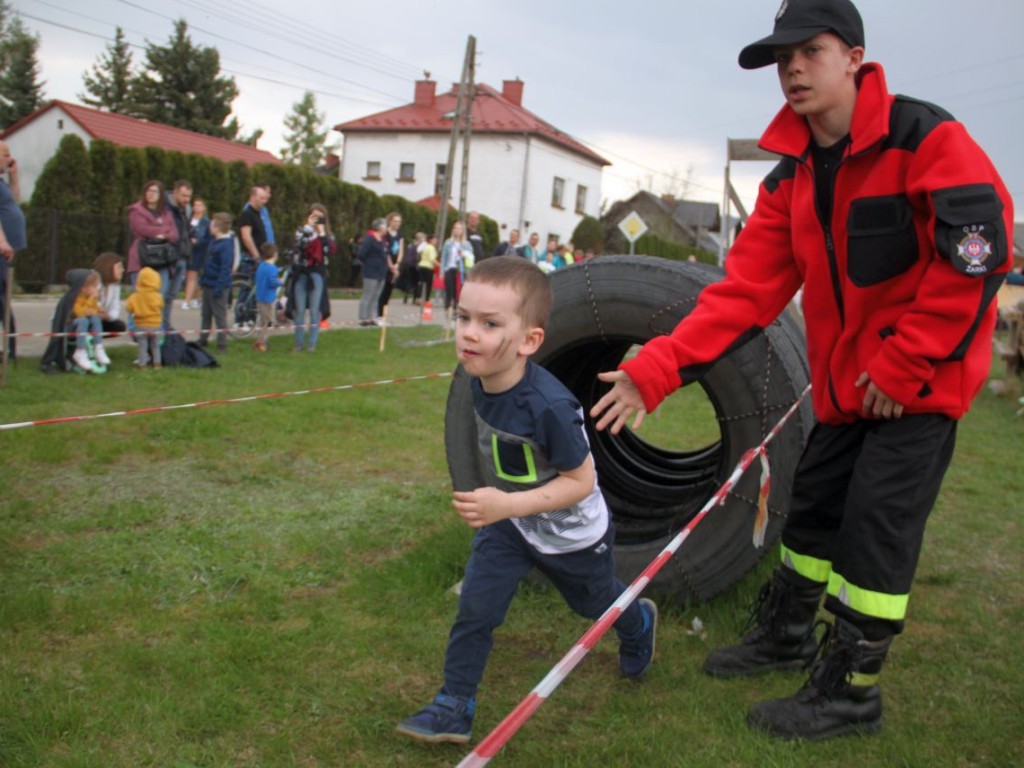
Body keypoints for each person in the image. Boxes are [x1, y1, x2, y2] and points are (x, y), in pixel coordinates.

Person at [590, 0, 1013, 743]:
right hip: (848, 395)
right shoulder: (789, 180)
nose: (791, 68)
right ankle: (784, 635)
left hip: (919, 390)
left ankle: (850, 690)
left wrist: (906, 363)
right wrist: (653, 370)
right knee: (812, 511)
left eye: (808, 51)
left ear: (854, 56)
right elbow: (743, 294)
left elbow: (976, 255)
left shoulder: (929, 139)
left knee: (873, 532)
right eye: (780, 58)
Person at [396, 256, 657, 744]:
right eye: (464, 317)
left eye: (490, 324)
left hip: (570, 535)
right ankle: (455, 705)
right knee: (477, 606)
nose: (469, 334)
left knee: (594, 606)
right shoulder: (478, 380)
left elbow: (581, 482)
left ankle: (638, 621)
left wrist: (508, 505)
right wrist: (507, 512)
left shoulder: (550, 407)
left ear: (529, 341)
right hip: (511, 526)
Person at [292, 204, 335, 352]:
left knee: (315, 310)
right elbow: (298, 247)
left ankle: (311, 344)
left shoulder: (327, 235)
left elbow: (328, 251)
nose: (316, 220)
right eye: (313, 216)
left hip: (317, 273)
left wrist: (322, 234)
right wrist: (307, 230)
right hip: (302, 273)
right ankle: (298, 343)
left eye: (320, 217)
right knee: (299, 309)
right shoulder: (302, 231)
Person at [1, 140, 26, 363]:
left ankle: (9, 349)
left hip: (6, 251)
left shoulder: (1, 182)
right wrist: (2, 240)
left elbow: (14, 200)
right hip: (2, 249)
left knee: (4, 299)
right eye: (5, 155)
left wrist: (13, 176)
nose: (9, 159)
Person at [126, 180, 178, 289]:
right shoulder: (136, 211)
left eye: (154, 191)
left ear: (161, 195)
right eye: (148, 191)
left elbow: (174, 235)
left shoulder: (166, 213)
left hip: (162, 258)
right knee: (142, 297)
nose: (150, 194)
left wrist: (164, 234)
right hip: (142, 257)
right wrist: (165, 230)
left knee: (159, 298)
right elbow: (143, 229)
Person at [198, 212, 234, 353]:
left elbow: (225, 269)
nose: (210, 227)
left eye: (212, 224)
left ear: (218, 228)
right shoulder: (213, 241)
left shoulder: (226, 245)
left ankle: (222, 343)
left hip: (218, 286)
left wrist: (219, 287)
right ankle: (203, 338)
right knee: (205, 314)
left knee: (219, 315)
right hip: (208, 283)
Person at [162, 180, 193, 327]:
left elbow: (185, 230)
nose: (186, 200)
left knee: (171, 295)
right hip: (166, 257)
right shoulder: (164, 207)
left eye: (188, 196)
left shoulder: (186, 209)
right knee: (160, 294)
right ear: (174, 192)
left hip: (181, 256)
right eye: (183, 196)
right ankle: (154, 326)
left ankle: (165, 325)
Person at [68, 270, 109, 372]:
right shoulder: (76, 298)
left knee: (96, 318)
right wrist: (90, 300)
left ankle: (98, 346)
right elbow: (79, 313)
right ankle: (80, 350)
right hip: (73, 326)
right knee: (83, 320)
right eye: (94, 286)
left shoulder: (90, 298)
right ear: (84, 287)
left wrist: (95, 310)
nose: (96, 289)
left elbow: (94, 310)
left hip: (86, 324)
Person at [125, 266, 164, 369]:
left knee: (142, 345)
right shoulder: (158, 296)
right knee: (155, 345)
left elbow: (129, 308)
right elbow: (161, 306)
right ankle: (157, 363)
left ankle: (142, 364)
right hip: (155, 324)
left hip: (141, 324)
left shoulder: (135, 296)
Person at [356, 218, 389, 327]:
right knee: (367, 294)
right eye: (384, 226)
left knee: (376, 295)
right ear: (379, 227)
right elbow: (361, 254)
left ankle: (372, 317)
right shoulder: (369, 238)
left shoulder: (383, 240)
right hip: (370, 272)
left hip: (381, 272)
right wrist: (370, 263)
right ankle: (363, 318)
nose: (386, 228)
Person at [182, 197, 211, 310]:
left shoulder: (206, 222)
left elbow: (208, 238)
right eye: (195, 205)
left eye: (199, 205)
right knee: (192, 276)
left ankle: (187, 300)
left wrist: (198, 241)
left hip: (200, 252)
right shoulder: (189, 219)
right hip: (189, 250)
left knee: (191, 275)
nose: (196, 208)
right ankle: (198, 299)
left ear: (204, 208)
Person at [440, 220, 474, 313]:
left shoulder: (466, 244)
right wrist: (442, 272)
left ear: (462, 231)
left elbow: (470, 255)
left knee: (458, 290)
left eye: (459, 228)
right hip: (449, 268)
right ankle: (448, 308)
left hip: (460, 270)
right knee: (449, 289)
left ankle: (456, 308)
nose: (456, 230)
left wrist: (464, 254)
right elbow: (444, 257)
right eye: (455, 228)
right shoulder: (448, 243)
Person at [254, 242, 282, 352]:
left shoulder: (261, 266)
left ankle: (260, 340)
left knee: (262, 320)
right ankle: (262, 342)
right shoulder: (272, 268)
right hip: (268, 298)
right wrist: (280, 282)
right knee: (267, 321)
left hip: (260, 296)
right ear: (274, 255)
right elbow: (273, 282)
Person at [238, 184, 271, 274]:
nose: (264, 201)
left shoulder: (258, 214)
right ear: (252, 198)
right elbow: (246, 236)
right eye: (261, 198)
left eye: (265, 198)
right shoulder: (247, 214)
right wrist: (256, 255)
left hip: (260, 256)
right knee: (248, 285)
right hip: (251, 258)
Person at [91, 252, 126, 335]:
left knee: (119, 326)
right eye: (119, 267)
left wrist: (108, 316)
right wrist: (98, 310)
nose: (123, 270)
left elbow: (115, 307)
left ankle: (96, 335)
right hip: (88, 317)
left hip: (102, 318)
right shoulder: (92, 279)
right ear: (109, 267)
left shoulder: (115, 286)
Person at [377, 211, 404, 319]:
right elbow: (386, 250)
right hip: (386, 264)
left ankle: (383, 313)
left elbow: (401, 250)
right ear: (390, 221)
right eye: (395, 221)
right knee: (382, 290)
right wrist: (391, 265)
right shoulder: (386, 234)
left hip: (395, 264)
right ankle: (378, 313)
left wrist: (397, 264)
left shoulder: (400, 234)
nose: (397, 223)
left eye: (399, 221)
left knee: (389, 290)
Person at [399, 233, 422, 304]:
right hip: (413, 266)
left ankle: (406, 296)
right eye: (422, 238)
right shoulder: (417, 246)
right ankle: (415, 298)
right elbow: (416, 257)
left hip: (408, 265)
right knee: (416, 283)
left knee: (410, 282)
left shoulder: (411, 245)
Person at [416, 233, 439, 306]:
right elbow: (432, 259)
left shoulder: (425, 247)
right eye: (435, 240)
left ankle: (418, 298)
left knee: (421, 283)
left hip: (421, 265)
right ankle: (427, 300)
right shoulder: (432, 248)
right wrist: (440, 265)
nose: (436, 241)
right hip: (428, 267)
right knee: (428, 284)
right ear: (430, 240)